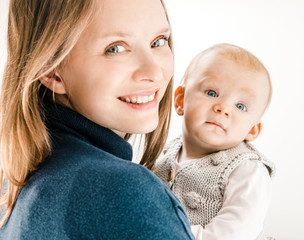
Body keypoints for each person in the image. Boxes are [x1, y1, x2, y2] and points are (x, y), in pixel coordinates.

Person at [0, 0, 195, 239]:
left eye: (158, 41)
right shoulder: (126, 193)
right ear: (51, 69)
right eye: (115, 48)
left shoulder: (13, 178)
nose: (154, 72)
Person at [153, 43, 275, 240]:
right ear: (180, 100)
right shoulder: (164, 153)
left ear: (252, 129)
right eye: (212, 93)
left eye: (240, 106)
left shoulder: (247, 169)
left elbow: (236, 231)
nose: (223, 108)